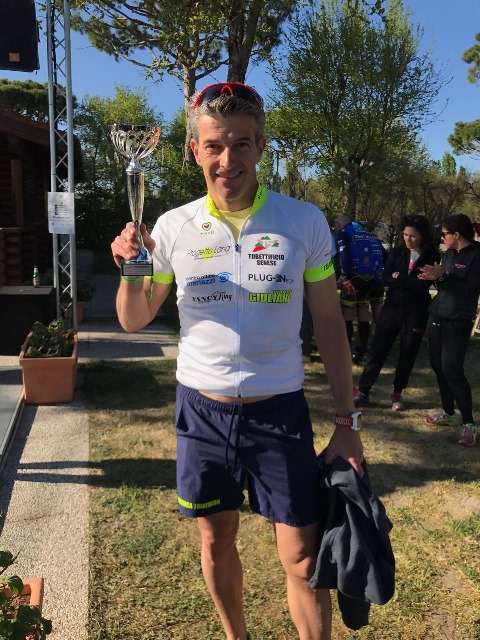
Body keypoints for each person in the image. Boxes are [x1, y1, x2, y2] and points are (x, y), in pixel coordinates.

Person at [111, 81, 364, 640]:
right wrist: (132, 266)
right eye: (215, 146)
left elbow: (329, 325)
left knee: (302, 556)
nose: (229, 160)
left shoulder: (303, 222)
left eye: (242, 144)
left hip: (280, 413)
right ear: (194, 150)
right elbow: (134, 318)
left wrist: (347, 422)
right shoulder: (172, 227)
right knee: (215, 539)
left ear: (260, 146)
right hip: (202, 413)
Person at [353, 215, 438, 411]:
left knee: (408, 353)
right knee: (378, 350)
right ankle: (363, 390)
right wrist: (399, 279)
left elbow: (422, 284)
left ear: (422, 236)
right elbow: (385, 277)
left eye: (413, 236)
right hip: (391, 309)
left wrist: (399, 279)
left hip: (416, 312)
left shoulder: (431, 256)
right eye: (405, 235)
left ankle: (397, 392)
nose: (408, 239)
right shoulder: (397, 252)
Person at [419, 213, 480, 447]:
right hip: (438, 314)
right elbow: (445, 284)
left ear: (457, 234)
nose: (442, 238)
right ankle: (448, 411)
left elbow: (471, 287)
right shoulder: (448, 254)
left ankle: (469, 423)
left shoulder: (476, 255)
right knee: (437, 365)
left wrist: (444, 274)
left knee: (451, 368)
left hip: (458, 319)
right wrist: (434, 276)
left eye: (445, 234)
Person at [334, 215, 385, 364]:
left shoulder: (344, 233)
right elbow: (384, 254)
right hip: (375, 279)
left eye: (336, 224)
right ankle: (363, 352)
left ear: (340, 224)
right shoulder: (370, 235)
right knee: (365, 314)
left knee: (348, 314)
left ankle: (346, 352)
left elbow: (343, 254)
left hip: (355, 278)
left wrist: (344, 276)